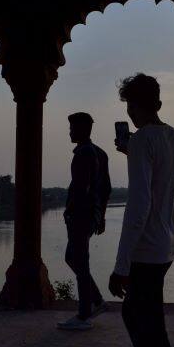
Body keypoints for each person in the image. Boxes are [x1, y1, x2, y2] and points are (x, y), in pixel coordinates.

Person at [109, 73, 174, 347]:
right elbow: (161, 176)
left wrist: (121, 266)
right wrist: (133, 152)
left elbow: (140, 205)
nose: (131, 114)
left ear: (136, 106)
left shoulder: (142, 140)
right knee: (151, 317)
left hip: (148, 247)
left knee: (137, 316)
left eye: (131, 107)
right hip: (168, 243)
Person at [57, 111, 112, 331]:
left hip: (81, 214)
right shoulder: (100, 153)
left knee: (78, 260)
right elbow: (105, 189)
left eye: (72, 128)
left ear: (82, 129)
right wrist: (102, 215)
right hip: (92, 213)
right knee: (75, 258)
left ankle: (84, 314)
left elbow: (81, 188)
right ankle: (96, 301)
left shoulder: (83, 153)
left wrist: (70, 210)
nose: (70, 132)